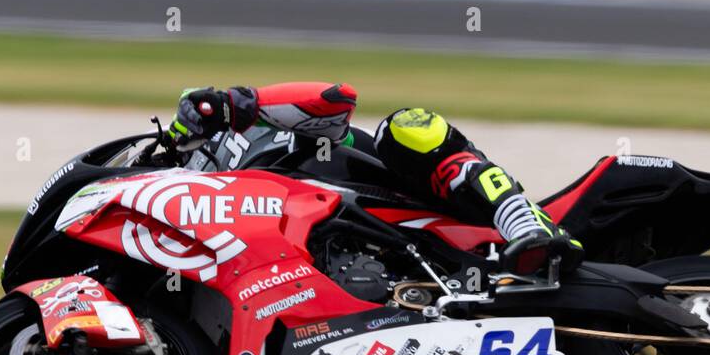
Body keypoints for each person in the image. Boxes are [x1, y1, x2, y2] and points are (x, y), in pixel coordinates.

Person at [168, 81, 582, 275]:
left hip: (428, 207)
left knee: (405, 126)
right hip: (392, 264)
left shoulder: (268, 135)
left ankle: (526, 223)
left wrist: (239, 104)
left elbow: (337, 96)